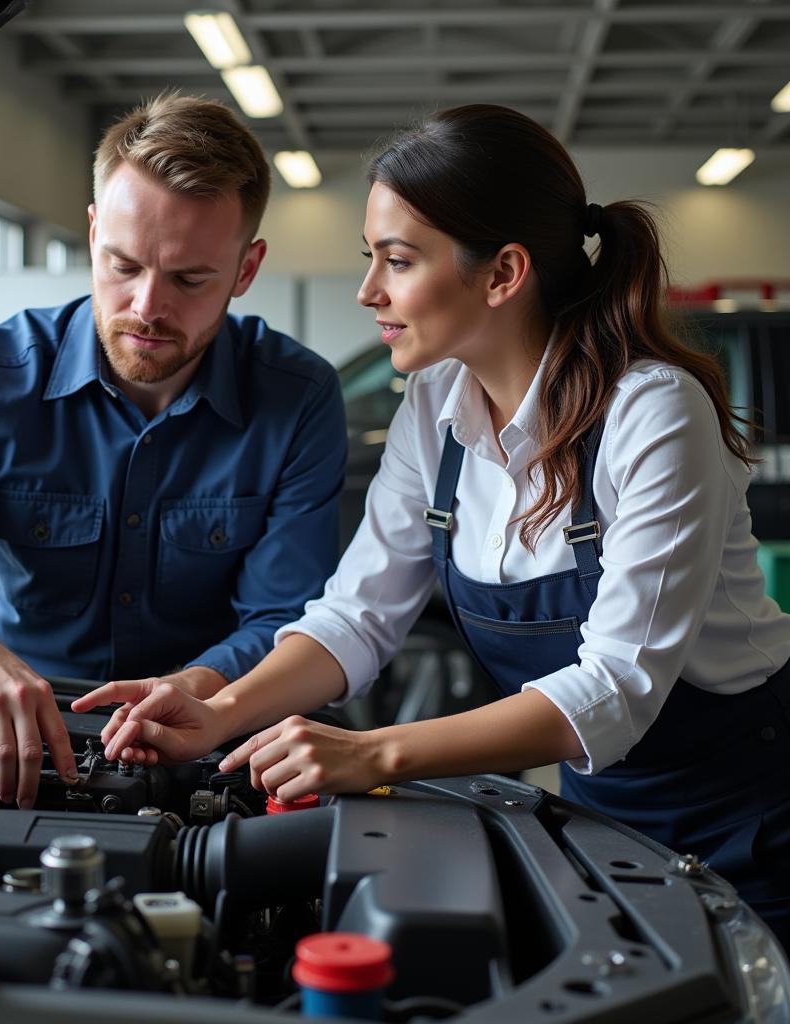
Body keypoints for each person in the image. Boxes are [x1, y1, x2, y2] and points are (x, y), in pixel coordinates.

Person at [74, 103, 790, 945]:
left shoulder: (653, 413)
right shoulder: (434, 407)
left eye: (399, 260)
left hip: (755, 817)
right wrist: (222, 708)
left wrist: (373, 754)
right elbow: (356, 618)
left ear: (502, 273)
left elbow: (616, 689)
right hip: (607, 820)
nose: (368, 290)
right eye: (370, 258)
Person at [0, 94, 346, 810]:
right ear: (92, 231)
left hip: (224, 738)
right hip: (16, 740)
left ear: (246, 268)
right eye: (122, 264)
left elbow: (288, 622)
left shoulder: (298, 398)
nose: (145, 307)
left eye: (189, 279)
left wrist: (196, 688)